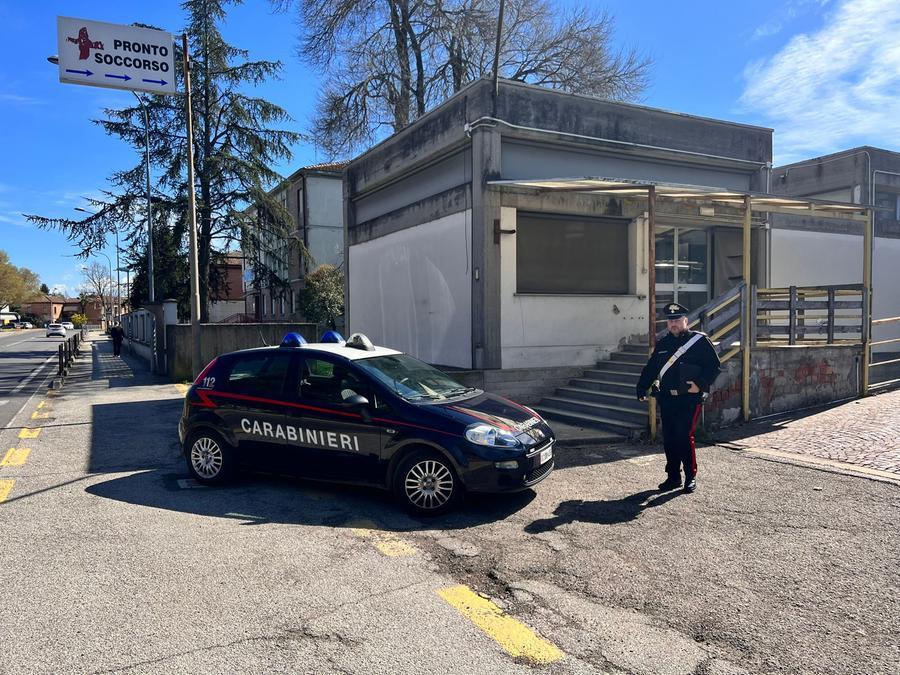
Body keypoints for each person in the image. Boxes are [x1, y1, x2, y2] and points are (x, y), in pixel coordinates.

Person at [636, 302, 721, 493]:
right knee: (669, 438)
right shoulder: (664, 343)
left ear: (685, 321)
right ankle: (673, 477)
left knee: (683, 436)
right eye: (670, 320)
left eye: (677, 320)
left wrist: (700, 384)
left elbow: (714, 366)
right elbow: (652, 368)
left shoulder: (699, 341)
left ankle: (690, 477)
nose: (673, 323)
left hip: (689, 399)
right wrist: (641, 387)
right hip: (667, 398)